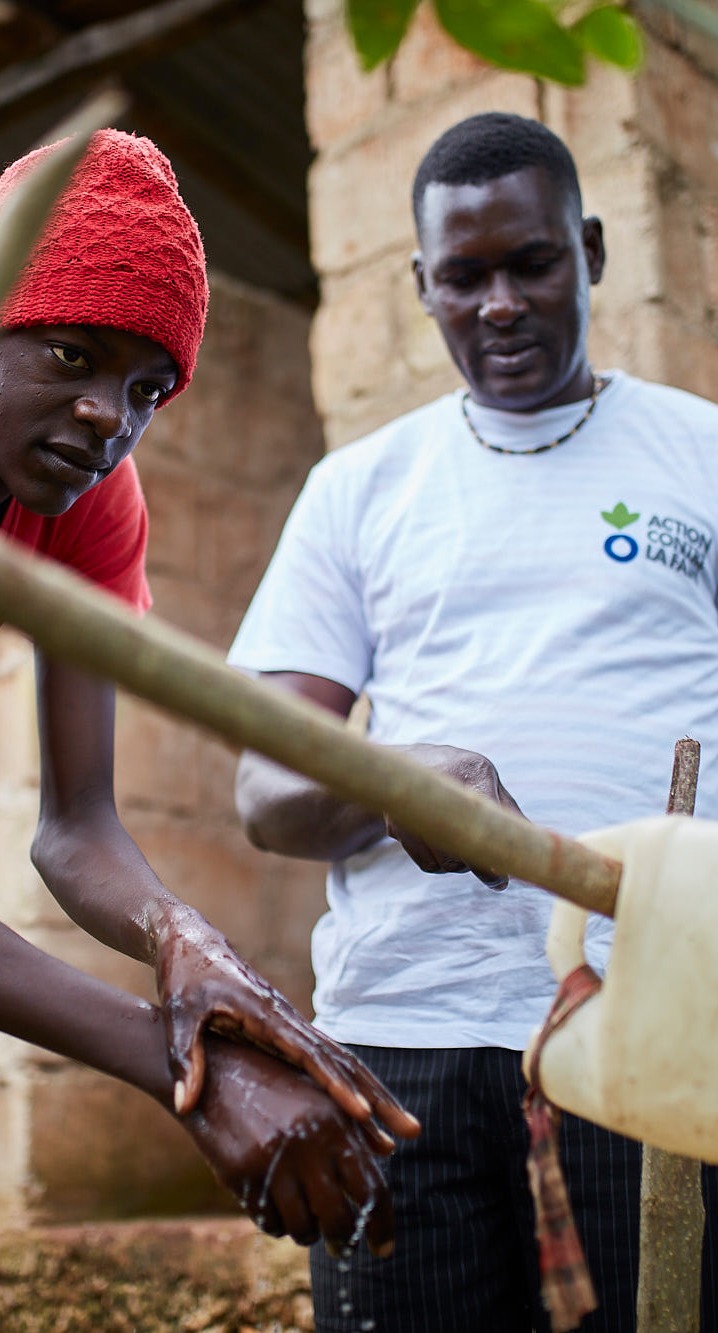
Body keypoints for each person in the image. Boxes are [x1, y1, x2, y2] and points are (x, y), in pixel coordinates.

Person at [229, 111, 718, 1331]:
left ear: (590, 250)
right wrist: (400, 780)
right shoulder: (357, 490)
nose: (499, 304)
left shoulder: (701, 454)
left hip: (648, 1022)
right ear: (420, 285)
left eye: (531, 263)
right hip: (404, 1041)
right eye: (463, 276)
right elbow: (265, 796)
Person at [0, 126, 419, 1250]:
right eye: (69, 356)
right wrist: (193, 1067)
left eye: (148, 386)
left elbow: (77, 826)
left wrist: (193, 943)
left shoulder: (85, 498)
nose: (109, 416)